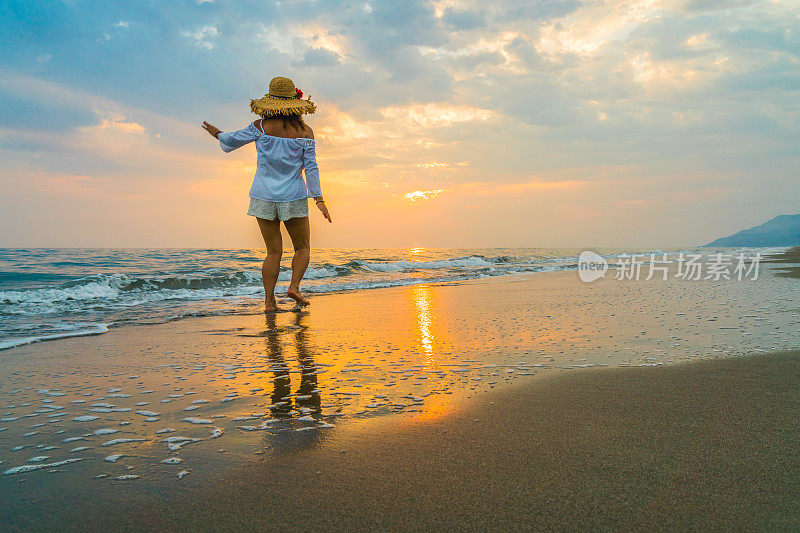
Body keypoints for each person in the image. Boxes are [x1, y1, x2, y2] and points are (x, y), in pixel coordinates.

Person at [203, 76, 332, 313]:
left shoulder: (260, 127)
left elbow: (231, 141)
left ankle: (269, 302)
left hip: (263, 196)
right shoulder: (305, 132)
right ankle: (294, 287)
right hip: (293, 196)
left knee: (273, 252)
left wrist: (217, 133)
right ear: (295, 103)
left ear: (270, 103)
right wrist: (319, 199)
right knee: (302, 248)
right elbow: (311, 168)